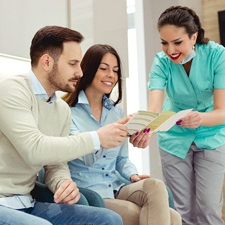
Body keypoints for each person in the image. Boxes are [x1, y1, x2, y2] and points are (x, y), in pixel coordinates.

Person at [0, 26, 127, 225]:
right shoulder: (11, 91)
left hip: (26, 203)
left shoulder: (61, 110)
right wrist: (97, 138)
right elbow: (35, 149)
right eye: (73, 64)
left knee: (107, 219)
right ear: (47, 62)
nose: (80, 72)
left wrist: (62, 183)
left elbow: (55, 163)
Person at [62, 44, 182, 225]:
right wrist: (108, 134)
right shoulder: (67, 112)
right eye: (104, 68)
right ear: (89, 69)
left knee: (156, 186)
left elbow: (121, 159)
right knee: (171, 218)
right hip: (89, 193)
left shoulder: (116, 111)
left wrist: (132, 175)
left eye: (115, 70)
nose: (111, 75)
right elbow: (85, 157)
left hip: (117, 187)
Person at [146, 6, 225, 225]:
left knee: (209, 208)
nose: (170, 50)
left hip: (211, 134)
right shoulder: (161, 61)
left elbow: (220, 112)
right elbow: (154, 108)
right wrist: (144, 127)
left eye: (177, 42)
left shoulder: (217, 55)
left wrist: (199, 119)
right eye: (164, 43)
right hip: (174, 136)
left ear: (193, 36)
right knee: (180, 211)